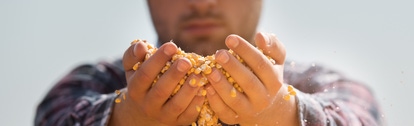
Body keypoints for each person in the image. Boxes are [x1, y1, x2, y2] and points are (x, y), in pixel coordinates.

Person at [35, 0, 383, 126]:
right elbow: (55, 115)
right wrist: (126, 118)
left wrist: (284, 114)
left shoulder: (315, 83)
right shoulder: (100, 82)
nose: (201, 2)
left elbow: (361, 115)